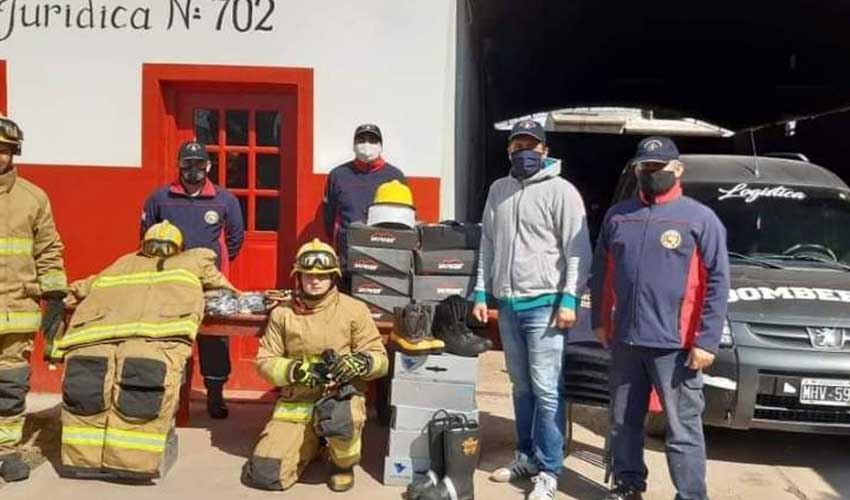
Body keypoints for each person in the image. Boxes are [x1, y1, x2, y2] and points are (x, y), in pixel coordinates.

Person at [590, 136, 730, 500]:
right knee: (623, 423)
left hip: (677, 346)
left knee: (682, 429)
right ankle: (628, 484)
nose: (650, 174)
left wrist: (706, 340)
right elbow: (602, 273)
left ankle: (690, 494)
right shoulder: (618, 216)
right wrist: (600, 321)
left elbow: (718, 282)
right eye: (644, 168)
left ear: (677, 170)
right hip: (626, 342)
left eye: (658, 168)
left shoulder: (700, 219)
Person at [52, 221, 237, 481]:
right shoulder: (183, 261)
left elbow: (87, 285)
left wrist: (60, 299)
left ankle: (106, 461)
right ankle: (112, 462)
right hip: (153, 337)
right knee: (127, 392)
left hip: (105, 336)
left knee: (94, 390)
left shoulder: (134, 261)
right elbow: (225, 292)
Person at [471, 119, 592, 500]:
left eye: (531, 145)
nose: (525, 152)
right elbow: (487, 243)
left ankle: (550, 470)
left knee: (546, 390)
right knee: (521, 387)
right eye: (517, 145)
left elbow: (578, 250)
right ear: (509, 150)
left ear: (544, 149)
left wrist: (570, 298)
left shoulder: (562, 192)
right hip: (508, 305)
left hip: (546, 306)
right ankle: (525, 456)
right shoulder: (499, 190)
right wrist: (479, 292)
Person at [241, 238, 388, 493]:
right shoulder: (282, 313)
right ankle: (314, 443)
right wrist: (295, 370)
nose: (315, 280)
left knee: (344, 420)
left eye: (323, 275)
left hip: (339, 398)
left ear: (334, 277)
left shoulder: (354, 310)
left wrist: (361, 362)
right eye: (308, 274)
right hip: (297, 401)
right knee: (265, 475)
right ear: (298, 277)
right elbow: (264, 361)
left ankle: (341, 464)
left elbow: (381, 360)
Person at [141, 140, 244, 419]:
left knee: (215, 341)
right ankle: (172, 397)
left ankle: (215, 396)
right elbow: (146, 238)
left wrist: (213, 267)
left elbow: (236, 239)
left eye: (199, 165)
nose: (193, 170)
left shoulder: (225, 199)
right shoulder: (159, 198)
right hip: (169, 283)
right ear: (179, 166)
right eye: (188, 164)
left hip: (209, 284)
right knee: (170, 339)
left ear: (208, 167)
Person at [0, 113, 67, 482]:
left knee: (10, 387)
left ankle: (6, 452)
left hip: (17, 312)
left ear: (15, 153)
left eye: (4, 151)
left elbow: (49, 251)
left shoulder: (33, 198)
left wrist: (54, 296)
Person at [322, 124, 406, 255]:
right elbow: (329, 219)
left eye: (372, 141)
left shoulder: (395, 176)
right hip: (347, 252)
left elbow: (404, 218)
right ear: (354, 145)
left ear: (380, 146)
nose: (367, 145)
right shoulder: (338, 175)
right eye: (361, 140)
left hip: (384, 254)